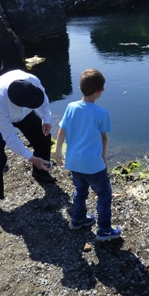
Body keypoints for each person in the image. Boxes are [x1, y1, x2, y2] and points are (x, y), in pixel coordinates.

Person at [55, 69, 121, 241]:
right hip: (93, 165)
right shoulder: (101, 113)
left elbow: (61, 131)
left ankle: (78, 220)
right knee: (104, 195)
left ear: (80, 87)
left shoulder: (71, 107)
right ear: (100, 91)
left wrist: (58, 153)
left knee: (80, 191)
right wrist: (104, 157)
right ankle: (104, 230)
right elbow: (103, 137)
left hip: (74, 162)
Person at [0, 69, 55, 219]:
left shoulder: (31, 81)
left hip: (24, 114)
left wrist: (46, 119)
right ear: (18, 104)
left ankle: (40, 172)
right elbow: (11, 138)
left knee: (44, 136)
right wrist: (32, 158)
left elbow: (44, 101)